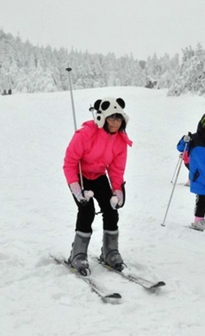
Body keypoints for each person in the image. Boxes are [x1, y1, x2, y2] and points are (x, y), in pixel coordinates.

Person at [63, 97, 132, 275]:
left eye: (118, 118)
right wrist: (77, 191)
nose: (115, 123)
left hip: (99, 176)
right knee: (87, 211)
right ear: (103, 117)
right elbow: (70, 163)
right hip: (80, 176)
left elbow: (116, 170)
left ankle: (110, 251)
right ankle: (77, 254)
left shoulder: (120, 141)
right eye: (111, 118)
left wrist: (117, 193)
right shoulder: (86, 134)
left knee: (111, 209)